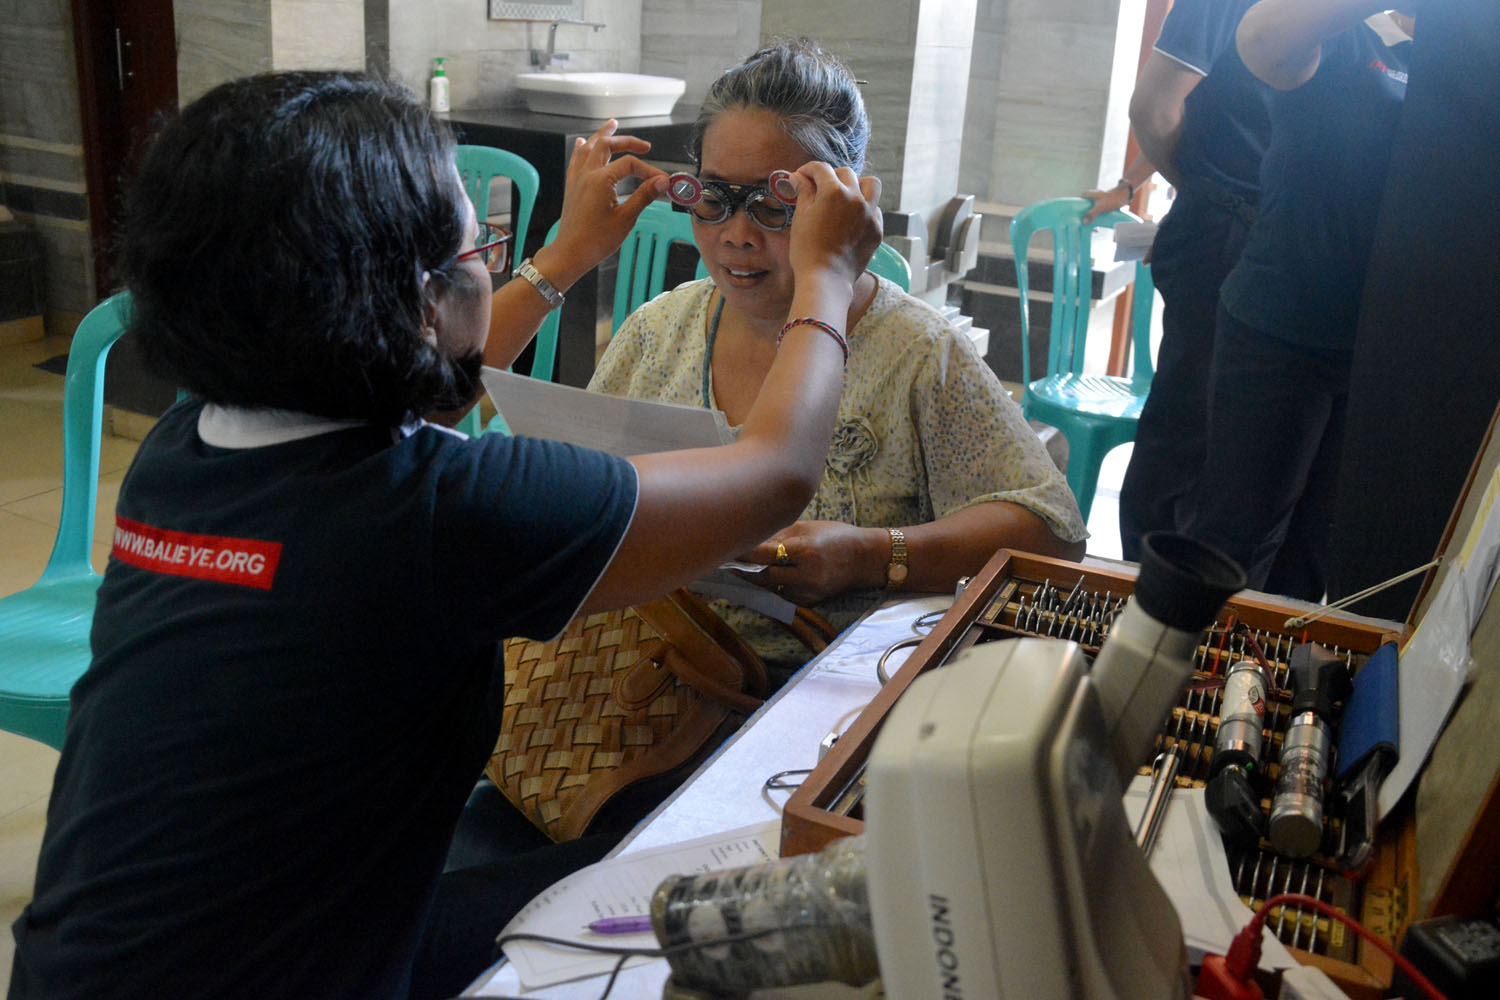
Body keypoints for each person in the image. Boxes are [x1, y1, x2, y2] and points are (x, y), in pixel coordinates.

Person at [8, 70, 882, 999]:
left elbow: (421, 382)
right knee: (728, 887)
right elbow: (777, 473)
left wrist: (567, 254)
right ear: (421, 300)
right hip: (296, 974)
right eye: (482, 253)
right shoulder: (439, 510)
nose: (493, 269)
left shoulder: (187, 452)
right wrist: (825, 281)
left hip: (88, 964)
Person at [589, 41, 1087, 674]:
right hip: (655, 677)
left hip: (828, 692)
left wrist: (873, 555)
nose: (736, 234)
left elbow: (1054, 533)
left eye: (776, 202)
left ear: (845, 205)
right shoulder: (659, 332)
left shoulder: (914, 351)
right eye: (712, 196)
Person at [1181, 1, 1413, 598]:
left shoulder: (1458, 55)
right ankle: (1184, 682)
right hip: (1279, 329)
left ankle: (1267, 687)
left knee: (1319, 555)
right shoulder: (1343, 35)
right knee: (1234, 541)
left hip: (1385, 347)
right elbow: (1259, 34)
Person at [1081, 0, 1271, 563]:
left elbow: (1194, 112)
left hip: (1274, 227)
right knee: (1192, 425)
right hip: (1232, 224)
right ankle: (1151, 590)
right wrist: (1209, 194)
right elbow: (1157, 107)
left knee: (1241, 434)